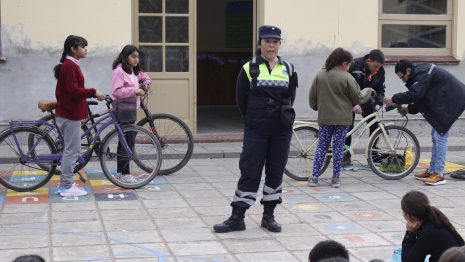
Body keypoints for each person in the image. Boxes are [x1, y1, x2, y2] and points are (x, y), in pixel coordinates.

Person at [213, 25, 298, 233]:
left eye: (275, 41)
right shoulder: (248, 68)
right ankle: (237, 217)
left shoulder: (289, 68)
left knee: (275, 171)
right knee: (250, 171)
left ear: (279, 44)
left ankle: (268, 216)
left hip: (281, 130)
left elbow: (291, 97)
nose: (271, 45)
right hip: (256, 129)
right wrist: (256, 119)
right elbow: (240, 100)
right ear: (259, 43)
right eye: (267, 41)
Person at [384, 60, 465, 186]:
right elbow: (421, 98)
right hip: (444, 101)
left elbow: (416, 94)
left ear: (408, 71)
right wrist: (409, 109)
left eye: (402, 77)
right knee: (435, 137)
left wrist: (394, 98)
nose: (403, 80)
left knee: (440, 136)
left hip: (453, 101)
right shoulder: (417, 75)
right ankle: (432, 170)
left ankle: (439, 174)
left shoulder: (422, 73)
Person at [308, 48, 374, 188]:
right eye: (349, 64)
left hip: (325, 118)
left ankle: (314, 177)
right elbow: (358, 97)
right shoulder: (347, 77)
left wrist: (318, 108)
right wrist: (369, 90)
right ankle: (335, 179)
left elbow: (312, 98)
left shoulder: (320, 75)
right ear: (344, 63)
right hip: (342, 119)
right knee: (338, 148)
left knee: (322, 147)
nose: (349, 67)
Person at [54, 35, 105, 197]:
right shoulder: (70, 65)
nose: (85, 49)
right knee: (72, 151)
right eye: (82, 47)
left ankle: (67, 183)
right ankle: (66, 186)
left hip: (70, 114)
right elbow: (73, 91)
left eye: (85, 46)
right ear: (73, 49)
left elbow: (63, 92)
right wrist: (93, 92)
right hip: (69, 116)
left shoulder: (71, 64)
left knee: (71, 150)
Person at [111, 44, 152, 183]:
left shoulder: (133, 71)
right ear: (125, 56)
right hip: (123, 109)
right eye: (133, 56)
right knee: (125, 141)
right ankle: (124, 173)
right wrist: (135, 91)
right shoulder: (119, 71)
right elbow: (116, 91)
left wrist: (146, 83)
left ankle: (120, 172)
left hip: (130, 109)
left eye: (138, 57)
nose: (136, 60)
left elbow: (145, 76)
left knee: (127, 140)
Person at [343, 49, 386, 167]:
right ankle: (345, 156)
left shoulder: (380, 70)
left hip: (366, 100)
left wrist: (378, 103)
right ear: (368, 61)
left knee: (375, 126)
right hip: (348, 101)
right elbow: (344, 87)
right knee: (347, 128)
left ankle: (373, 154)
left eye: (379, 67)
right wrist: (353, 104)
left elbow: (381, 89)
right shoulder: (354, 65)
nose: (377, 70)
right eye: (375, 66)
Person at [400, 190, 464, 261]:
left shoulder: (429, 232)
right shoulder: (434, 220)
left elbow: (408, 260)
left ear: (408, 215)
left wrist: (409, 233)